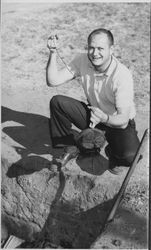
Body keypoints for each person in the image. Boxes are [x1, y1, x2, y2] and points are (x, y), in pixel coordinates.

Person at [46, 28, 140, 174]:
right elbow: (52, 81)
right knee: (58, 102)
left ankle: (112, 150)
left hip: (117, 123)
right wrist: (52, 53)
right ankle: (69, 146)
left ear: (111, 49)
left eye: (100, 48)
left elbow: (123, 120)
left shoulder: (122, 75)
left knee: (130, 157)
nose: (95, 53)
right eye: (91, 48)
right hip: (94, 117)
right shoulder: (82, 60)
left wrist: (105, 118)